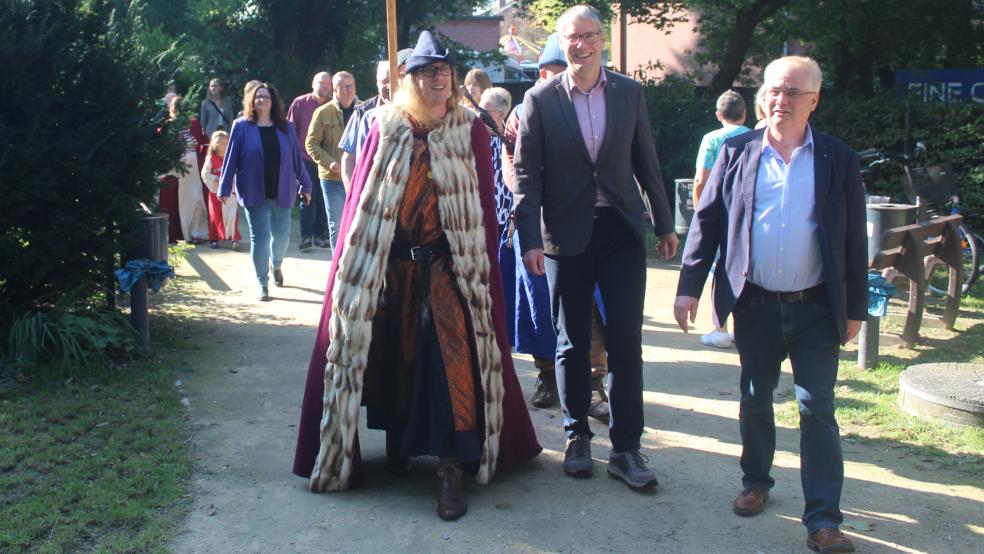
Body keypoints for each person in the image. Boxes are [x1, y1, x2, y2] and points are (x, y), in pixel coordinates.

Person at [292, 31, 541, 521]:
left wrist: (476, 268)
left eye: (444, 75)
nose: (438, 83)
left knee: (450, 367)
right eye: (428, 75)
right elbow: (363, 207)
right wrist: (365, 270)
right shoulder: (387, 126)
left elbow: (485, 213)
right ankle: (401, 449)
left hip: (450, 270)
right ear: (410, 81)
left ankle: (450, 466)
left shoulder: (469, 130)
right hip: (393, 269)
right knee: (395, 364)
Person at [673, 56, 866, 554]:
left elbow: (851, 243)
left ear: (814, 100)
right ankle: (756, 480)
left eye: (793, 93)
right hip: (756, 303)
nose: (781, 100)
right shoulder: (737, 152)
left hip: (817, 308)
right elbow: (708, 222)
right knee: (755, 397)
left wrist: (856, 310)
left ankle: (823, 518)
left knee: (816, 408)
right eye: (774, 90)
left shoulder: (837, 158)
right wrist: (689, 286)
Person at [513, 5, 678, 488]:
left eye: (587, 36)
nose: (579, 45)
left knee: (627, 341)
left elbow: (646, 160)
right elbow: (527, 177)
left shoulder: (628, 93)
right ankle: (576, 436)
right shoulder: (540, 99)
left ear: (601, 39)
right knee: (571, 342)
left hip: (620, 231)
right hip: (565, 237)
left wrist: (664, 223)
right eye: (571, 37)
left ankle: (627, 448)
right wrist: (530, 240)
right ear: (562, 43)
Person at [218, 83, 313, 301]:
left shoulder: (286, 127)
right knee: (259, 238)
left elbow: (297, 160)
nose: (262, 100)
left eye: (266, 97)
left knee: (281, 235)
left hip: (283, 189)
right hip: (253, 189)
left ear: (273, 102)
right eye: (258, 97)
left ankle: (276, 264)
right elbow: (231, 158)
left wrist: (306, 185)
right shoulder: (241, 126)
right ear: (252, 101)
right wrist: (224, 188)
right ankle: (262, 283)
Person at [691, 90, 751, 349]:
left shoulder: (712, 138)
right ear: (744, 113)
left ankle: (720, 329)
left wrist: (698, 212)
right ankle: (742, 328)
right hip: (746, 213)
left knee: (718, 271)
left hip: (718, 212)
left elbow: (701, 179)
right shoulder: (754, 136)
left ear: (718, 114)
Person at [338, 49, 414, 187]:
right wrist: (353, 195)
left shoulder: (418, 113)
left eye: (393, 81)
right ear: (377, 83)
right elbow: (349, 159)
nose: (389, 86)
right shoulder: (364, 114)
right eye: (384, 81)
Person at [305, 71, 357, 253]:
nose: (348, 91)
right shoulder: (322, 113)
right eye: (343, 87)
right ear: (334, 90)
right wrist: (330, 163)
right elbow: (311, 143)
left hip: (360, 178)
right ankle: (338, 268)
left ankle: (354, 264)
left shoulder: (365, 110)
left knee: (358, 222)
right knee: (337, 223)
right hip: (332, 178)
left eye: (351, 86)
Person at [287, 72, 332, 251]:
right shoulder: (300, 103)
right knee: (307, 196)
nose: (325, 87)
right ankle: (306, 237)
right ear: (313, 84)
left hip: (327, 159)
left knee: (323, 198)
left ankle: (320, 235)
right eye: (321, 83)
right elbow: (291, 130)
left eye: (328, 84)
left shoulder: (333, 105)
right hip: (304, 157)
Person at [167, 96, 210, 244]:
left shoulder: (194, 123)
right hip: (176, 166)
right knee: (179, 200)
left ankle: (196, 232)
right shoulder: (169, 124)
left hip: (194, 164)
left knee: (196, 198)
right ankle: (181, 233)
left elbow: (204, 141)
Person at [200, 130, 242, 250]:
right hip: (215, 192)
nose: (225, 145)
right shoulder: (211, 158)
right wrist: (215, 179)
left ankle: (234, 238)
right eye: (222, 143)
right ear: (215, 144)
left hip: (230, 191)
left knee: (232, 214)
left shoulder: (231, 157)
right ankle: (214, 238)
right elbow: (205, 173)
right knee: (215, 215)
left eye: (226, 142)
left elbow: (237, 172)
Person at [478, 86, 513, 229]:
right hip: (480, 216)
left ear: (501, 115)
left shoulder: (511, 138)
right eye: (478, 110)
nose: (479, 115)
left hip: (506, 217)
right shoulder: (475, 137)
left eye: (484, 112)